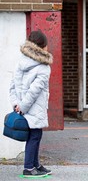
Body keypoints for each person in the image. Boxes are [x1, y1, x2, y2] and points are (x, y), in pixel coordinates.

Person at [9, 30, 53, 177]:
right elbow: (33, 92)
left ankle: (36, 165)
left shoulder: (20, 62)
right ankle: (28, 168)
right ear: (42, 47)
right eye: (46, 45)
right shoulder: (43, 67)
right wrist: (23, 107)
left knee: (35, 135)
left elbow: (13, 86)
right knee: (34, 136)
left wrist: (16, 104)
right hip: (33, 108)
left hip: (22, 107)